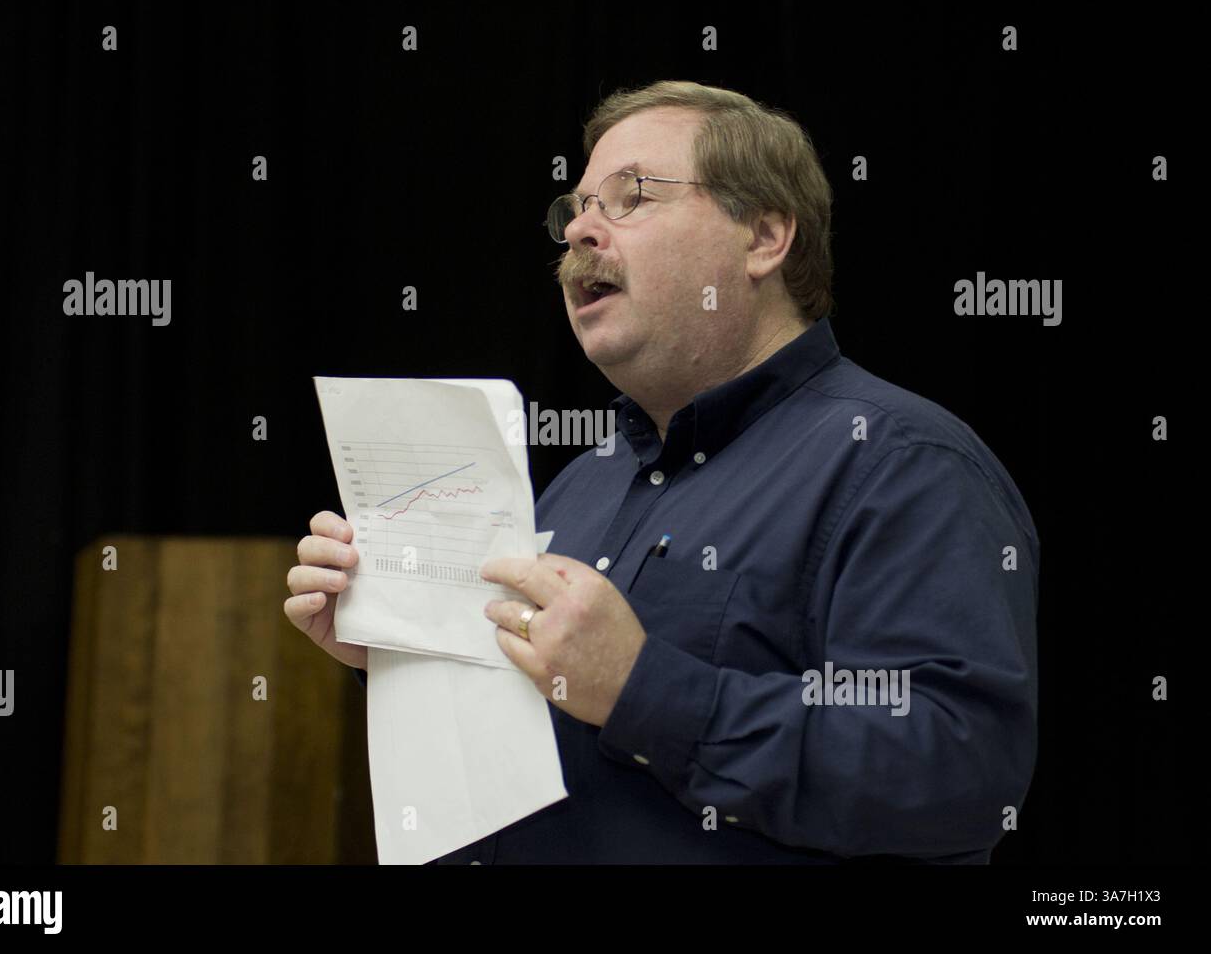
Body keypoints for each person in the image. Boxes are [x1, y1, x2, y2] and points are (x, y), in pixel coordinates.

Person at [284, 80, 1039, 863]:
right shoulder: (582, 482)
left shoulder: (900, 464)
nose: (579, 230)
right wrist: (405, 651)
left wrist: (643, 689)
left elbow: (958, 773)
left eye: (630, 196)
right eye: (574, 208)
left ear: (765, 237)